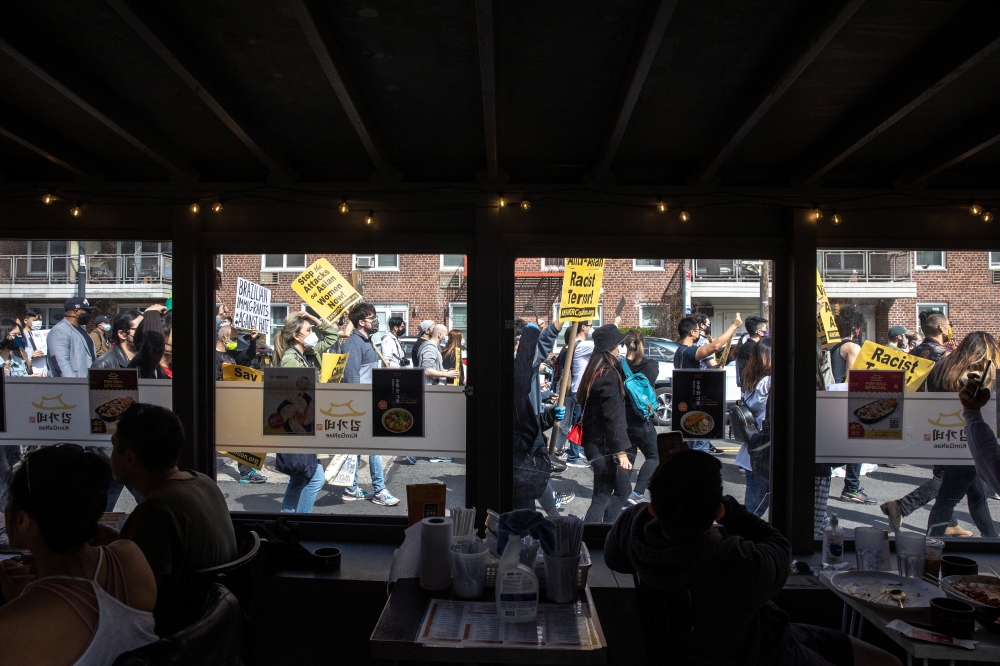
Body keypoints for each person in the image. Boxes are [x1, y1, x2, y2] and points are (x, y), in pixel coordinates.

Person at [604, 450, 901, 666]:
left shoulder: (633, 527)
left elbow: (614, 559)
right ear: (718, 510)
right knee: (885, 660)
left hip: (690, 651)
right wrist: (733, 512)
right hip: (767, 652)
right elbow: (778, 546)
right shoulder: (737, 561)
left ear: (654, 508)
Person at [0, 446, 158, 664]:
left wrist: (22, 601)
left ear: (22, 521)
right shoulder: (129, 557)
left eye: (9, 501)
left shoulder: (13, 626)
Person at [112, 404, 238, 635]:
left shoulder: (154, 512)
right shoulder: (203, 482)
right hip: (210, 634)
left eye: (113, 446)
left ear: (130, 458)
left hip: (171, 640)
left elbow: (133, 604)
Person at [881, 332, 1000, 538]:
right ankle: (929, 541)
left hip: (940, 436)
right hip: (966, 440)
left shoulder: (943, 367)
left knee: (976, 493)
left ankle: (991, 539)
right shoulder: (973, 374)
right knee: (948, 498)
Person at [273, 313, 338, 510]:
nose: (312, 333)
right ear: (296, 335)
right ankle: (302, 522)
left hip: (306, 425)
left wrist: (312, 317)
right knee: (315, 479)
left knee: (298, 480)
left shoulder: (308, 353)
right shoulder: (290, 359)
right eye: (308, 330)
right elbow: (291, 396)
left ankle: (287, 520)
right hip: (299, 427)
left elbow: (332, 336)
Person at [341, 302, 399, 507]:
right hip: (362, 404)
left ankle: (352, 488)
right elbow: (351, 377)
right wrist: (358, 406)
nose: (375, 321)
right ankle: (379, 490)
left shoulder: (368, 342)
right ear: (360, 322)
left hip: (368, 401)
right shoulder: (353, 344)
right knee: (374, 447)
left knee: (359, 447)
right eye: (372, 317)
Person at [577, 324, 633, 523]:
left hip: (596, 444)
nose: (622, 348)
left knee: (610, 492)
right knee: (610, 494)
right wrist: (620, 452)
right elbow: (613, 417)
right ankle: (599, 533)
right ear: (611, 347)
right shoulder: (608, 375)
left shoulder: (596, 371)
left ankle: (600, 532)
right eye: (619, 344)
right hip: (604, 447)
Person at [513, 322, 565, 512]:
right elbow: (539, 349)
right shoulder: (517, 370)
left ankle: (553, 515)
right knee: (526, 498)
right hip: (522, 448)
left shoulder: (522, 371)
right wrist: (555, 326)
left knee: (534, 481)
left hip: (529, 438)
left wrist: (549, 414)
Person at [829, 305, 876, 505]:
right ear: (856, 329)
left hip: (830, 396)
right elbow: (852, 379)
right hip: (846, 400)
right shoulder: (852, 347)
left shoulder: (831, 346)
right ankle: (851, 488)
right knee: (856, 445)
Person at [674, 315, 742, 453]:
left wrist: (725, 359)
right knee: (699, 449)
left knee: (692, 448)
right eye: (698, 330)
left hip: (687, 405)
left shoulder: (680, 352)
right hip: (694, 407)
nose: (700, 334)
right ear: (692, 333)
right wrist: (733, 326)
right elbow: (715, 346)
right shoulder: (688, 351)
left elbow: (713, 366)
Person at [623, 331, 659, 506]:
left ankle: (623, 493)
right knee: (653, 456)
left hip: (623, 418)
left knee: (628, 456)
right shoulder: (651, 365)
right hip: (642, 418)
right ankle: (637, 492)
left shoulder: (618, 366)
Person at [740, 338, 772, 517]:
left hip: (752, 447)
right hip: (763, 448)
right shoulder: (768, 382)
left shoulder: (750, 379)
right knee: (756, 506)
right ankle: (744, 538)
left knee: (754, 502)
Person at [45, 297, 97, 377]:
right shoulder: (60, 330)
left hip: (88, 383)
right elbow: (61, 362)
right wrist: (74, 385)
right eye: (86, 311)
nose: (89, 314)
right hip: (73, 385)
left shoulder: (82, 331)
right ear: (76, 311)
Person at [735, 315, 768, 387]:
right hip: (754, 389)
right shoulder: (753, 348)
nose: (767, 331)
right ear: (759, 331)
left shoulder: (745, 346)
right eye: (766, 328)